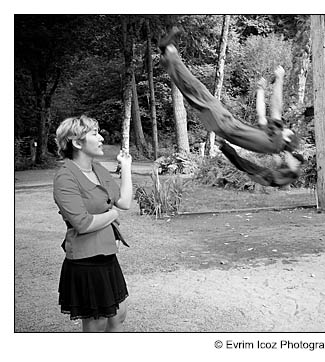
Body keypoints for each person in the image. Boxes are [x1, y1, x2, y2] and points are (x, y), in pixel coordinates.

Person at [159, 27, 299, 155]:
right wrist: (261, 90)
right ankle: (168, 59)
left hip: (226, 124)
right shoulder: (271, 142)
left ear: (287, 139)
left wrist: (280, 79)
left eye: (288, 131)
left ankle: (169, 54)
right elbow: (262, 116)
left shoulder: (278, 141)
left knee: (197, 90)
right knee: (193, 96)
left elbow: (276, 109)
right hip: (221, 127)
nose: (286, 128)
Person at [53, 115, 132, 332]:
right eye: (94, 134)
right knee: (98, 322)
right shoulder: (65, 178)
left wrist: (126, 167)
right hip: (86, 260)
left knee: (118, 316)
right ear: (77, 143)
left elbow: (124, 202)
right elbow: (83, 224)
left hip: (106, 255)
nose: (101, 138)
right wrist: (112, 214)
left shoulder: (97, 169)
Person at [219, 67, 305, 187]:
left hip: (268, 174)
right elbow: (280, 159)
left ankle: (265, 86)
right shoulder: (288, 150)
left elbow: (283, 161)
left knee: (268, 117)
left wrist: (280, 156)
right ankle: (264, 87)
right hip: (269, 169)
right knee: (269, 117)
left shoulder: (293, 168)